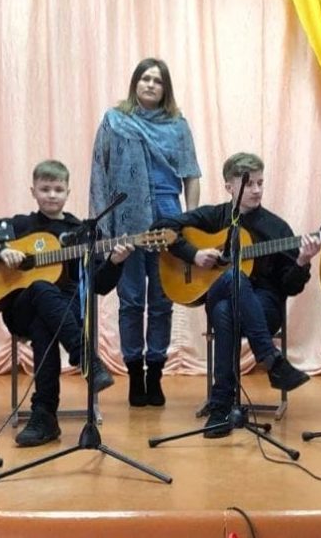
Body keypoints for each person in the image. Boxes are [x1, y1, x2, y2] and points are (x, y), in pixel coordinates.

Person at [0, 160, 130, 447]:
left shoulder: (83, 232)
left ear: (68, 192)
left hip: (65, 312)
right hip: (20, 310)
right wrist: (1, 251)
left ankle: (44, 415)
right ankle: (85, 357)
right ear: (33, 191)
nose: (52, 195)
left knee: (45, 324)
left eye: (58, 189)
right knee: (40, 287)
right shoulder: (20, 226)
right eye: (45, 189)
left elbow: (100, 286)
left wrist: (115, 262)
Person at [153, 153, 314, 438]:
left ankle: (220, 406)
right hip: (218, 292)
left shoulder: (277, 228)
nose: (256, 190)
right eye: (249, 184)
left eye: (260, 183)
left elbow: (290, 287)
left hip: (264, 307)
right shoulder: (215, 216)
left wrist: (301, 262)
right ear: (229, 187)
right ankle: (272, 360)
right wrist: (193, 254)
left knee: (225, 311)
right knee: (232, 277)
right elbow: (160, 228)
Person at [89, 58, 201, 407]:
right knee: (132, 298)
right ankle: (135, 374)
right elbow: (100, 171)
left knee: (163, 299)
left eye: (158, 80)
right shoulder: (115, 121)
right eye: (145, 78)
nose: (151, 84)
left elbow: (191, 175)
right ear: (135, 83)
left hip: (167, 213)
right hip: (127, 217)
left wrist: (189, 221)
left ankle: (156, 373)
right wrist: (103, 227)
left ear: (165, 88)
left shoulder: (177, 125)